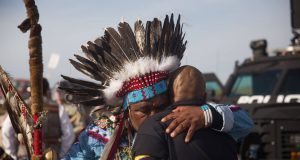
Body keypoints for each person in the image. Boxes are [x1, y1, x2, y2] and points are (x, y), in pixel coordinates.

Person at [61, 14, 253, 159]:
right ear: (127, 111)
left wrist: (204, 115)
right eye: (143, 110)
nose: (154, 117)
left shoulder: (185, 118)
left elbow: (244, 122)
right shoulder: (104, 131)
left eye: (161, 107)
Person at [133, 65, 238, 160]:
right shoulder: (227, 125)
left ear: (170, 96)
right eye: (144, 110)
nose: (153, 113)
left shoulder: (152, 126)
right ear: (205, 96)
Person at [1, 78, 75, 159]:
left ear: (30, 91)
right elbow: (69, 134)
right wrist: (61, 154)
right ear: (47, 91)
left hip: (25, 156)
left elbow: (6, 131)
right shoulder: (59, 108)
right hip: (51, 157)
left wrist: (13, 155)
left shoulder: (19, 107)